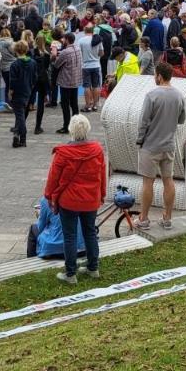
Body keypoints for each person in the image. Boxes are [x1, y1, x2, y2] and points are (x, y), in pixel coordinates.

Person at [44, 114, 106, 284]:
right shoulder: (97, 150)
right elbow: (102, 175)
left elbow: (53, 178)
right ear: (88, 129)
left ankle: (70, 273)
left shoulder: (63, 153)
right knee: (90, 232)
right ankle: (93, 268)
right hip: (91, 199)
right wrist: (102, 194)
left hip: (69, 201)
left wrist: (49, 196)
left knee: (70, 236)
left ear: (71, 130)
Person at [135, 62, 186, 230]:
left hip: (150, 145)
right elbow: (182, 120)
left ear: (159, 76)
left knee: (147, 182)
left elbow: (143, 121)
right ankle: (167, 218)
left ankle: (143, 219)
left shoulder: (152, 95)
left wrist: (139, 140)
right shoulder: (179, 95)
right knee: (168, 181)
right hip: (169, 145)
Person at [52, 32, 83, 134]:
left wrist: (54, 56)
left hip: (66, 81)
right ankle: (77, 126)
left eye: (64, 39)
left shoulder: (66, 52)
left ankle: (66, 126)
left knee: (65, 105)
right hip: (75, 80)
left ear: (67, 40)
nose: (62, 40)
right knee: (74, 104)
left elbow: (56, 64)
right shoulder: (77, 49)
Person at [8, 40, 36, 148]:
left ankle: (22, 138)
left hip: (18, 92)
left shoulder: (15, 64)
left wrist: (10, 92)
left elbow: (13, 81)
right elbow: (34, 77)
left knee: (20, 116)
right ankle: (16, 134)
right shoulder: (32, 62)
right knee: (21, 115)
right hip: (28, 91)